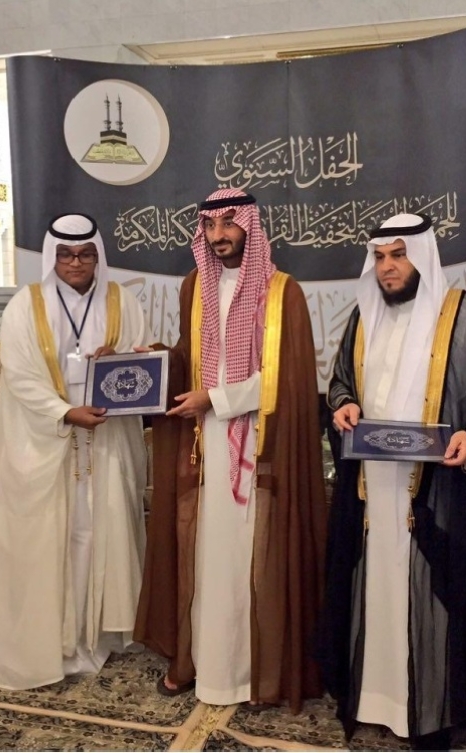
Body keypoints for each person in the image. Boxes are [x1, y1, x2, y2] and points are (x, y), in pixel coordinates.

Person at [318, 213, 466, 749]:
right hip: (372, 489)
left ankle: (431, 710)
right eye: (380, 257)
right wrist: (344, 404)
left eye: (399, 255)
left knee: (430, 592)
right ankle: (374, 699)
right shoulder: (363, 318)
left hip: (437, 489)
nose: (388, 267)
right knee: (376, 586)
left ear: (423, 258)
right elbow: (340, 383)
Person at [134, 188, 328, 711]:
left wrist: (216, 399)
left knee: (249, 557)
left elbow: (285, 377)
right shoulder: (195, 286)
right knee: (203, 555)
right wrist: (154, 364)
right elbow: (191, 357)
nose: (218, 235)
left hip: (260, 446)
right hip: (202, 446)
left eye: (228, 224)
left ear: (249, 226)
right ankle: (198, 661)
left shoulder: (283, 293)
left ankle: (248, 673)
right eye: (209, 226)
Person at [0, 214, 149, 690]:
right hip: (45, 440)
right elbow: (20, 375)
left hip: (107, 439)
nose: (76, 263)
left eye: (86, 254)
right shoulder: (24, 306)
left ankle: (98, 634)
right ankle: (51, 639)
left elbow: (142, 361)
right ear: (53, 257)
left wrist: (122, 363)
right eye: (67, 255)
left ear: (98, 256)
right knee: (54, 538)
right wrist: (65, 412)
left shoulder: (122, 302)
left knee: (99, 532)